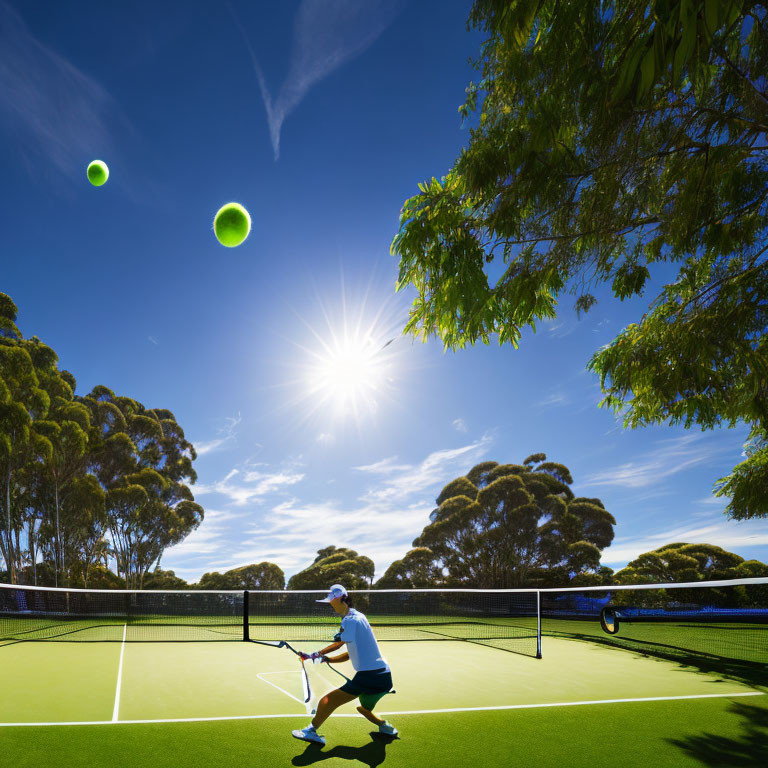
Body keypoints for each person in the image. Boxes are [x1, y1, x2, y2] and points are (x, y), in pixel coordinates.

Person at [291, 584, 397, 746]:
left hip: (369, 677)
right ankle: (387, 728)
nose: (331, 605)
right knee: (363, 709)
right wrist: (328, 659)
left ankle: (310, 731)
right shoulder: (360, 617)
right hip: (384, 676)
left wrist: (313, 655)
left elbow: (339, 644)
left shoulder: (349, 620)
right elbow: (350, 653)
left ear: (341, 599)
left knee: (327, 700)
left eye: (332, 601)